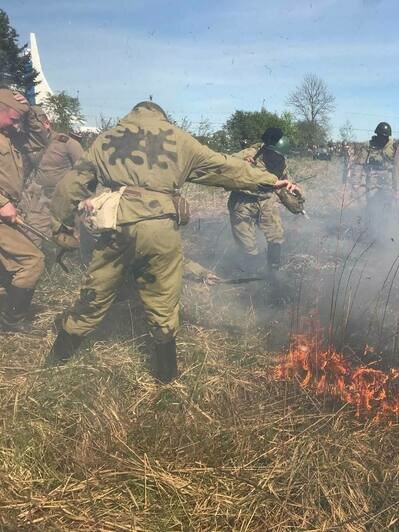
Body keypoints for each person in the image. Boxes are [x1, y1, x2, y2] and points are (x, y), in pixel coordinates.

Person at [47, 101, 299, 382]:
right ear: (161, 117)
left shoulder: (106, 139)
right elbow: (225, 168)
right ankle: (166, 378)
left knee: (95, 294)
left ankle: (53, 366)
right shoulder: (179, 138)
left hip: (119, 225)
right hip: (161, 229)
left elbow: (70, 186)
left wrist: (61, 227)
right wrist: (270, 181)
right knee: (164, 302)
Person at [0, 88, 45, 332]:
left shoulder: (8, 135)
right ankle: (12, 321)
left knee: (10, 266)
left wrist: (28, 113)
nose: (17, 125)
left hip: (6, 212)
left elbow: (39, 142)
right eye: (14, 119)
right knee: (31, 260)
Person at [19, 105, 84, 243]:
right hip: (34, 197)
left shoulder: (68, 144)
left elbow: (85, 174)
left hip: (57, 200)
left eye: (36, 129)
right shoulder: (30, 145)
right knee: (24, 233)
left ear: (47, 124)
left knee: (36, 237)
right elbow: (22, 173)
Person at [228, 127, 289, 273]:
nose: (277, 158)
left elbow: (284, 183)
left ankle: (273, 271)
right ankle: (251, 274)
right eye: (274, 154)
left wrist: (297, 203)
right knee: (247, 244)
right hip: (243, 202)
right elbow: (226, 164)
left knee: (276, 235)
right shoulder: (249, 153)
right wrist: (242, 164)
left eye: (280, 155)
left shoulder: (281, 161)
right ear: (267, 148)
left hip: (266, 201)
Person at [362, 121, 395, 227]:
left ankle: (385, 225)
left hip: (387, 176)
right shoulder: (369, 145)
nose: (382, 139)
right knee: (371, 200)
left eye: (385, 137)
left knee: (387, 201)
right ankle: (370, 226)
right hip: (373, 175)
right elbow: (360, 163)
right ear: (377, 135)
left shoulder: (393, 146)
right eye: (381, 136)